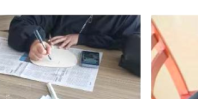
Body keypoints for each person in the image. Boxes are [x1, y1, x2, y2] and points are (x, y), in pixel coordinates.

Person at [8, 15, 140, 61]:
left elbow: (125, 43)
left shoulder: (130, 16)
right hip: (52, 59)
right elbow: (22, 23)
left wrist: (82, 38)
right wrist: (33, 41)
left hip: (104, 74)